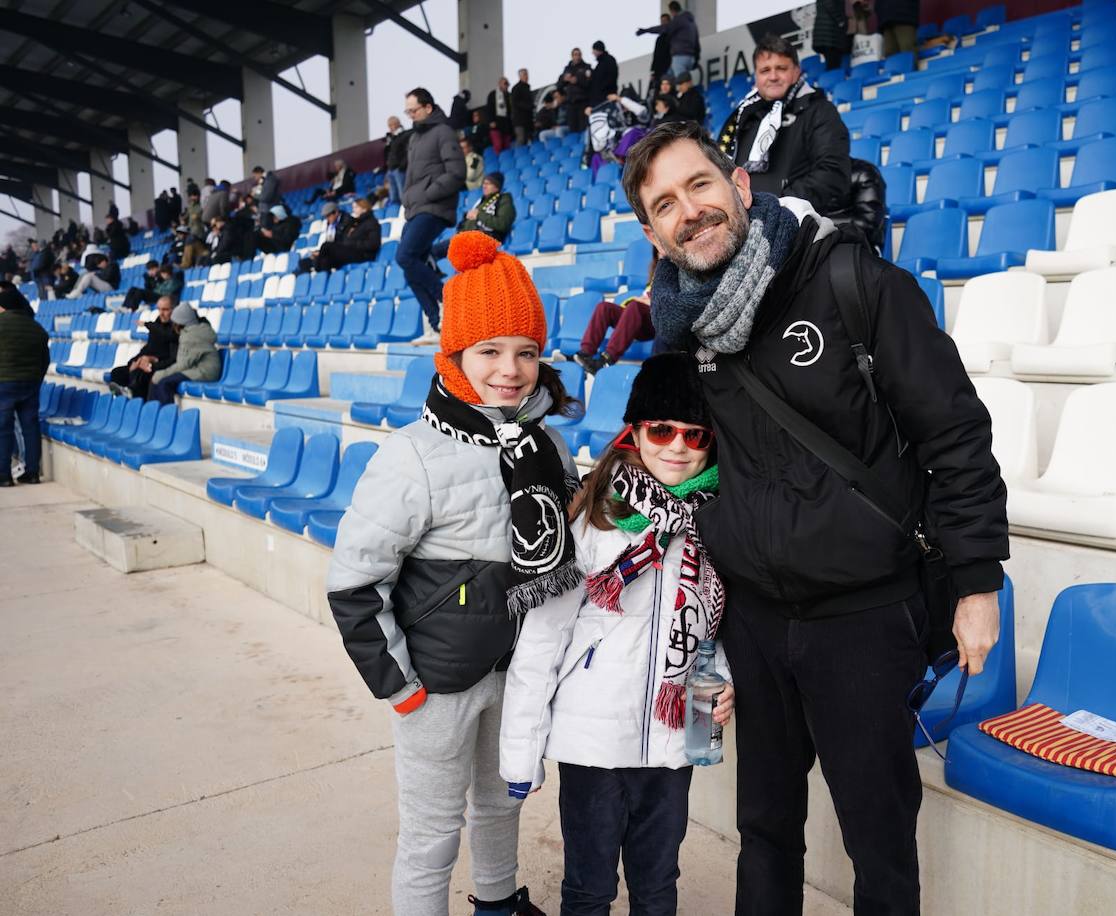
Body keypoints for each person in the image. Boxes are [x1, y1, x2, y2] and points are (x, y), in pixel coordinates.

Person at [621, 120, 1008, 913]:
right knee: (764, 829)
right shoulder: (679, 340)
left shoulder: (850, 282)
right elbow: (677, 478)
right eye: (665, 204)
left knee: (878, 837)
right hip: (756, 626)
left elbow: (954, 431)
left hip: (863, 614)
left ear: (740, 184)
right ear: (653, 235)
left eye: (699, 185)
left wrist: (975, 582)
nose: (689, 210)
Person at [327, 231, 573, 916]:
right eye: (490, 351)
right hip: (435, 683)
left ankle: (497, 904)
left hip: (518, 672)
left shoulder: (547, 443)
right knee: (431, 835)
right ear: (455, 354)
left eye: (526, 352)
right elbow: (352, 582)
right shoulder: (413, 454)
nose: (510, 369)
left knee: (500, 808)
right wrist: (399, 686)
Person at [500, 352, 735, 916]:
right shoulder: (594, 520)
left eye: (694, 434)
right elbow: (541, 640)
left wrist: (722, 679)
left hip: (675, 742)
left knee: (658, 884)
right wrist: (522, 753)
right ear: (635, 431)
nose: (677, 446)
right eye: (661, 429)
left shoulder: (717, 525)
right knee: (589, 886)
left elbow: (713, 628)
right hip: (592, 744)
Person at [717, 34, 851, 217]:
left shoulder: (819, 111)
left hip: (794, 222)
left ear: (796, 72)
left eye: (781, 68)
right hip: (744, 221)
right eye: (765, 70)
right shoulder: (742, 118)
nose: (773, 76)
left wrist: (779, 205)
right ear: (756, 77)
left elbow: (833, 174)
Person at [399, 86, 465, 338]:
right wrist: (408, 198)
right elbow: (410, 177)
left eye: (413, 110)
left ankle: (447, 299)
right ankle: (436, 322)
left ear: (428, 107)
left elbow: (457, 172)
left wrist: (429, 193)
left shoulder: (443, 132)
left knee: (404, 256)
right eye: (408, 111)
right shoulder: (414, 139)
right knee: (409, 266)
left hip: (434, 206)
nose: (411, 115)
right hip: (415, 208)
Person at [572, 252, 659, 374]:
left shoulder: (678, 271)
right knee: (604, 308)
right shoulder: (655, 274)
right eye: (657, 251)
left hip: (658, 322)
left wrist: (649, 301)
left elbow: (673, 302)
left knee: (635, 307)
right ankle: (585, 353)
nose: (660, 252)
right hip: (642, 318)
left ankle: (607, 359)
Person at [0, 286, 48, 486]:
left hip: (4, 383)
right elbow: (45, 359)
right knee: (30, 427)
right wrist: (36, 378)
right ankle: (33, 473)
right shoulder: (37, 328)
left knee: (3, 429)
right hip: (30, 383)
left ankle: (3, 476)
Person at [147, 303, 220, 405]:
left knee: (164, 383)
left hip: (204, 372)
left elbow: (183, 365)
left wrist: (161, 374)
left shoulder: (190, 336)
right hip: (205, 369)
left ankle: (165, 416)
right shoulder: (198, 330)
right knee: (161, 379)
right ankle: (155, 413)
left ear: (179, 323)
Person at [109, 295, 176, 401]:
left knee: (141, 374)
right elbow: (148, 348)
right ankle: (120, 402)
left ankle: (132, 398)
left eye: (165, 310)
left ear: (174, 309)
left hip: (158, 365)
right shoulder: (157, 325)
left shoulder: (176, 328)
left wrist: (151, 361)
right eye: (159, 309)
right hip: (146, 362)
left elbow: (172, 356)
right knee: (117, 373)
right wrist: (134, 362)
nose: (161, 313)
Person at [298, 197, 381, 273]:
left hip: (363, 254)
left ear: (364, 209)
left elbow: (373, 244)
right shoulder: (356, 222)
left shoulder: (372, 222)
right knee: (325, 261)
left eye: (356, 207)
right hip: (352, 251)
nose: (354, 210)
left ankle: (316, 264)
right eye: (353, 208)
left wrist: (353, 243)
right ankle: (325, 283)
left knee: (326, 246)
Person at [637, 2, 699, 79]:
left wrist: (645, 30)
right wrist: (696, 58)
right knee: (667, 78)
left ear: (672, 11)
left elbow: (662, 28)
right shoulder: (691, 23)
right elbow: (697, 43)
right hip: (690, 57)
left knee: (681, 81)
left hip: (680, 56)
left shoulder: (678, 21)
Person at [460, 173, 516, 244]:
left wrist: (479, 215)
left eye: (488, 184)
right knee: (447, 246)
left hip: (487, 239)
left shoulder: (504, 199)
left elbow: (503, 224)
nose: (484, 186)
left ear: (497, 186)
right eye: (483, 183)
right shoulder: (481, 201)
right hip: (468, 238)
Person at [558, 48, 593, 132]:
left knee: (583, 127)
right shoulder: (567, 69)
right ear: (572, 56)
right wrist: (564, 79)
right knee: (572, 128)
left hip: (583, 102)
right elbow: (559, 86)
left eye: (579, 54)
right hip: (570, 103)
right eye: (575, 55)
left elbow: (590, 84)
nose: (577, 57)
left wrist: (577, 81)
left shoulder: (586, 67)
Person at [384, 115, 412, 205]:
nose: (390, 128)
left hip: (399, 169)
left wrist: (402, 166)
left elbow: (407, 151)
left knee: (402, 194)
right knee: (393, 195)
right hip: (391, 169)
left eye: (391, 125)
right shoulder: (391, 138)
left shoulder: (405, 135)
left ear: (396, 124)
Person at [180, 189, 208, 268]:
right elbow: (187, 215)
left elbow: (201, 214)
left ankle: (185, 264)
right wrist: (183, 218)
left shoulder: (201, 205)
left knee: (189, 240)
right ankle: (185, 264)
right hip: (192, 231)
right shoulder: (190, 206)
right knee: (189, 242)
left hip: (199, 231)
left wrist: (197, 216)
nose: (192, 198)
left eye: (194, 196)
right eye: (191, 196)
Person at [587, 41, 619, 106]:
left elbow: (611, 77)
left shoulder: (609, 60)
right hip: (600, 98)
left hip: (606, 98)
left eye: (594, 50)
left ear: (598, 50)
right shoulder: (600, 64)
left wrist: (602, 89)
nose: (593, 53)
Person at [648, 13, 673, 94]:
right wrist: (653, 71)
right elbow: (656, 55)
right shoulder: (659, 39)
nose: (663, 23)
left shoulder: (673, 36)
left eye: (665, 21)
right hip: (659, 69)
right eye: (662, 21)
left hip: (668, 67)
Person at [488, 78, 514, 153]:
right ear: (499, 84)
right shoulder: (493, 94)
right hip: (496, 124)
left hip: (506, 124)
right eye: (505, 83)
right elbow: (489, 109)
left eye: (507, 84)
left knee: (507, 146)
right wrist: (491, 121)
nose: (506, 86)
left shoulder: (509, 95)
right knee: (498, 145)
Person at [511, 69, 535, 146]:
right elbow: (516, 102)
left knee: (528, 139)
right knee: (521, 140)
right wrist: (529, 106)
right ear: (520, 76)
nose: (526, 76)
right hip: (520, 120)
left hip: (528, 120)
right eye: (524, 74)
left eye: (527, 74)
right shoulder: (516, 88)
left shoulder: (527, 87)